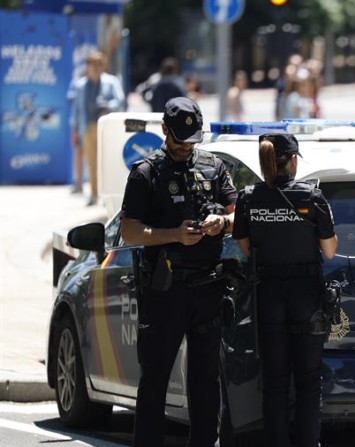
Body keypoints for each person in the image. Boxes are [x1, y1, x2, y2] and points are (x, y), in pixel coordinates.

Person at [120, 97, 238, 447]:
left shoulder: (214, 167)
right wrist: (174, 236)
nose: (187, 147)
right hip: (165, 290)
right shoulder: (146, 172)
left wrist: (222, 223)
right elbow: (129, 231)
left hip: (208, 288)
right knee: (155, 379)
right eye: (180, 139)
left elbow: (238, 215)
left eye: (192, 140)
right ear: (164, 131)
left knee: (205, 379)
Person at [232, 132, 337, 447]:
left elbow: (244, 245)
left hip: (268, 293)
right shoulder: (311, 197)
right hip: (306, 292)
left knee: (275, 381)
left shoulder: (249, 198)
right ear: (292, 160)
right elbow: (330, 251)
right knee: (307, 379)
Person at [69, 51, 125, 206]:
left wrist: (108, 105)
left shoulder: (111, 81)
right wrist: (74, 130)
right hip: (88, 126)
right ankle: (94, 194)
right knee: (91, 161)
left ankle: (107, 196)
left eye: (98, 64)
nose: (95, 68)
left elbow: (119, 99)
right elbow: (76, 110)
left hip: (106, 126)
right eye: (92, 65)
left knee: (107, 161)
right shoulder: (81, 85)